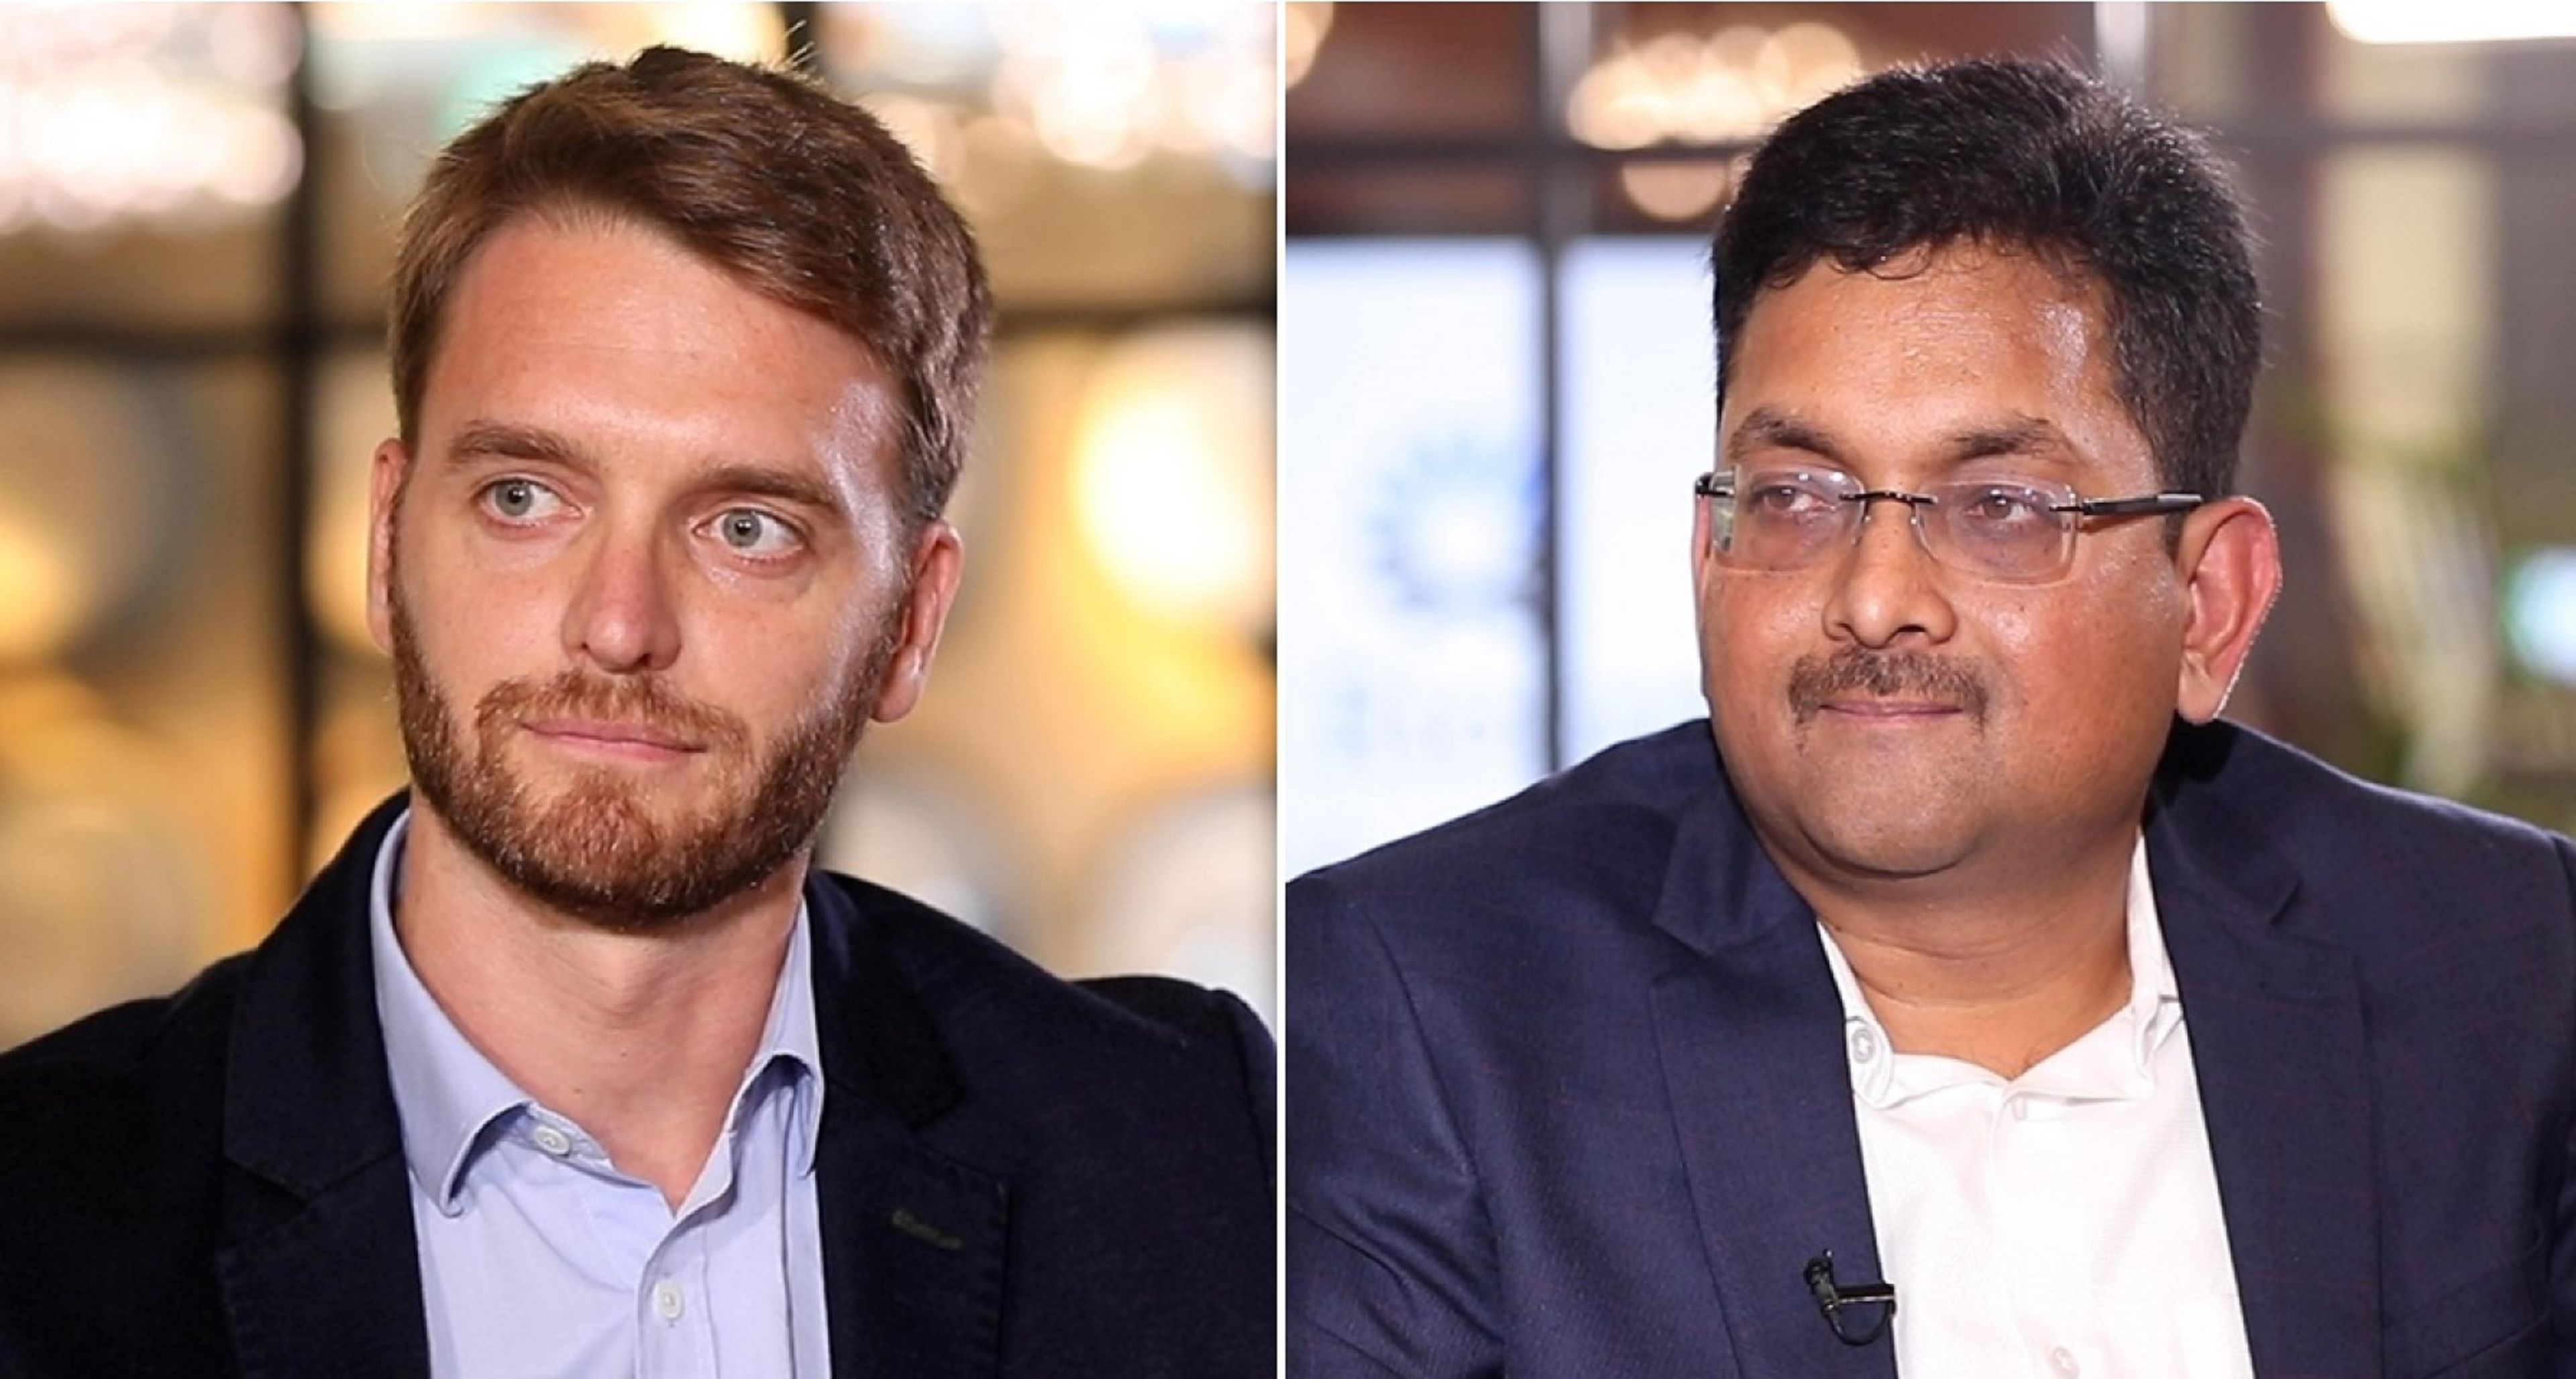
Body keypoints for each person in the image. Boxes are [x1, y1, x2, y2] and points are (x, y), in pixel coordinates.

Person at [1288, 56, 2575, 1378]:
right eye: (1796, 496)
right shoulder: (1424, 1009)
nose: (1875, 599)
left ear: (2208, 605)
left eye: (2000, 507)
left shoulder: (2505, 960)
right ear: (1707, 552)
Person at [0, 46, 1271, 1378]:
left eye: (746, 527)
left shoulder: (1190, 1150)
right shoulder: (39, 1214)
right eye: (525, 498)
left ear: (911, 620)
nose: (618, 624)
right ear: (386, 542)